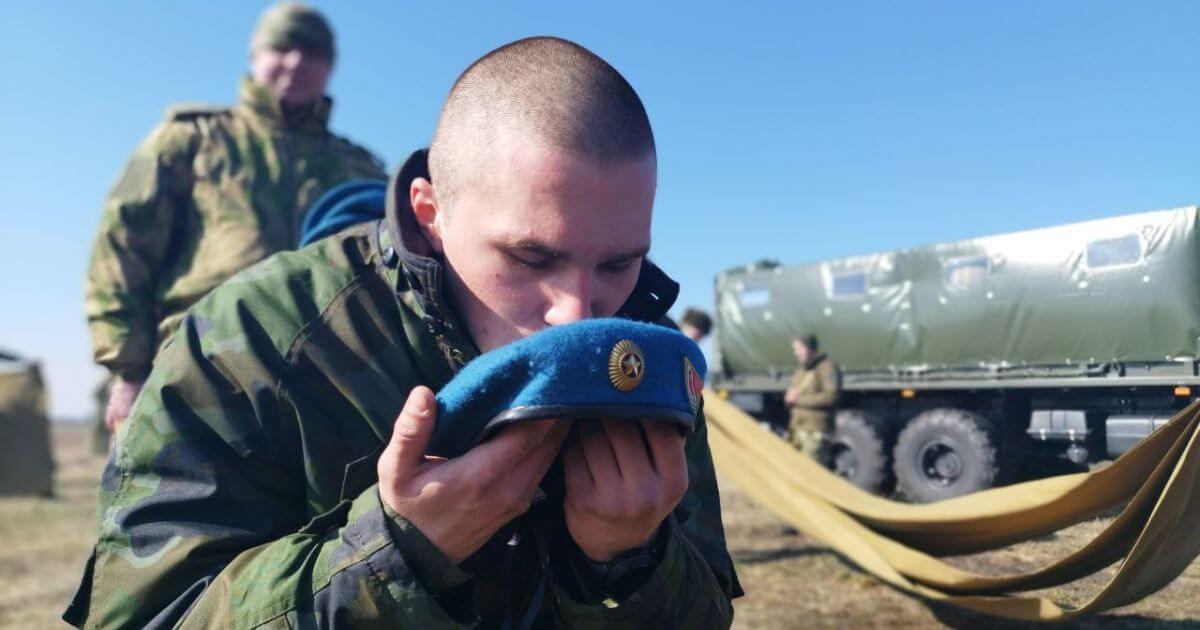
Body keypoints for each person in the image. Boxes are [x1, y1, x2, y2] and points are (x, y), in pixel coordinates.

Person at [65, 37, 739, 628]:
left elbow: (707, 612)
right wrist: (394, 554)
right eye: (531, 258)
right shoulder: (257, 340)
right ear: (431, 213)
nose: (578, 313)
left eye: (620, 263)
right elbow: (150, 615)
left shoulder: (644, 364)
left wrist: (629, 562)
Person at [84, 2, 385, 444]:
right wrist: (127, 372)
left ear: (330, 67)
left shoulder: (359, 169)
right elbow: (122, 247)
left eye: (313, 52)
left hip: (323, 387)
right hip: (194, 369)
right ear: (255, 57)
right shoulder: (194, 139)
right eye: (282, 46)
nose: (297, 61)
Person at [784, 335, 841, 462]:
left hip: (815, 432)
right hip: (797, 429)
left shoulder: (827, 367)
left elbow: (831, 397)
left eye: (799, 349)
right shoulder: (801, 370)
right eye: (795, 350)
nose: (796, 354)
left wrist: (798, 400)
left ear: (809, 349)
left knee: (811, 470)